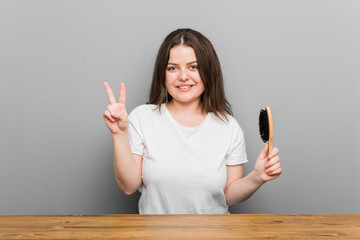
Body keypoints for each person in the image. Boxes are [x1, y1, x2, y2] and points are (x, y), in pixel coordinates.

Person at [103, 28, 282, 214]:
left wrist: (257, 177)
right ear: (162, 74)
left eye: (193, 67)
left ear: (208, 71)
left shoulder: (229, 127)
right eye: (172, 68)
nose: (183, 76)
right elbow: (128, 186)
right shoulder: (142, 118)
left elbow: (228, 194)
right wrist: (119, 134)